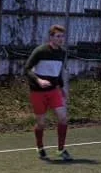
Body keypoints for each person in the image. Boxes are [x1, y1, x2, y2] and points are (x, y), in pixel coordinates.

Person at [24, 24, 71, 161]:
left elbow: (57, 72)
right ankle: (40, 147)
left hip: (53, 91)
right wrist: (39, 81)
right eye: (58, 36)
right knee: (41, 123)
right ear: (51, 37)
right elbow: (26, 69)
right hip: (37, 92)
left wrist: (62, 87)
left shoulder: (62, 53)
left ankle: (61, 150)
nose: (61, 39)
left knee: (63, 117)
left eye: (62, 36)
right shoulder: (40, 51)